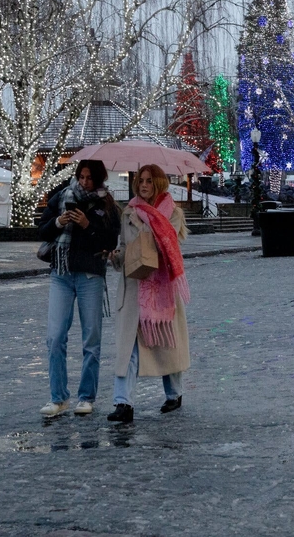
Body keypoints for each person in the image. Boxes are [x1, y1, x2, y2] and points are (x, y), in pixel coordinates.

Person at [37, 159, 121, 417]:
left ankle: (86, 397)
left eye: (90, 178)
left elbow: (110, 239)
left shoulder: (107, 204)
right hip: (61, 274)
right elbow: (42, 230)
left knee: (91, 339)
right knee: (55, 337)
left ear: (99, 179)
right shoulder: (62, 195)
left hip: (90, 276)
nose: (85, 182)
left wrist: (87, 224)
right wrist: (60, 222)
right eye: (82, 176)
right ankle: (58, 398)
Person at [108, 164, 191, 424]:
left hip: (161, 287)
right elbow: (124, 248)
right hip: (133, 287)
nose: (143, 185)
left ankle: (174, 394)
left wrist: (145, 223)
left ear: (158, 183)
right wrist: (115, 258)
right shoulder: (129, 212)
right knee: (128, 348)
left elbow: (165, 244)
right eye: (140, 180)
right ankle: (123, 403)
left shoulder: (172, 213)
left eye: (148, 181)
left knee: (166, 342)